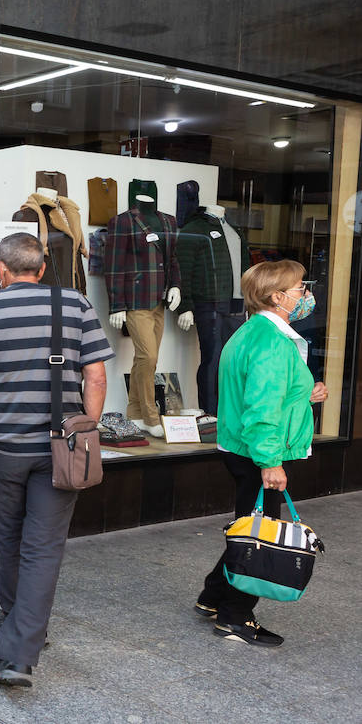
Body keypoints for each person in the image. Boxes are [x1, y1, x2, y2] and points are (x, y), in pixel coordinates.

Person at [0, 233, 112, 688]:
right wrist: (85, 429)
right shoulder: (76, 305)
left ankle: (16, 654)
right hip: (60, 447)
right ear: (41, 269)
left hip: (2, 446)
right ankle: (22, 626)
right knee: (43, 546)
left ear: (2, 270)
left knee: (9, 537)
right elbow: (96, 377)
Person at [195, 260, 325, 647]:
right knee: (259, 536)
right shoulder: (271, 341)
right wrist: (270, 462)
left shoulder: (252, 332)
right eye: (300, 288)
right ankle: (235, 616)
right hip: (257, 452)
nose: (306, 294)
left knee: (250, 525)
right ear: (278, 297)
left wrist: (306, 393)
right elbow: (261, 408)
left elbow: (266, 394)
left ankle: (212, 597)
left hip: (243, 447)